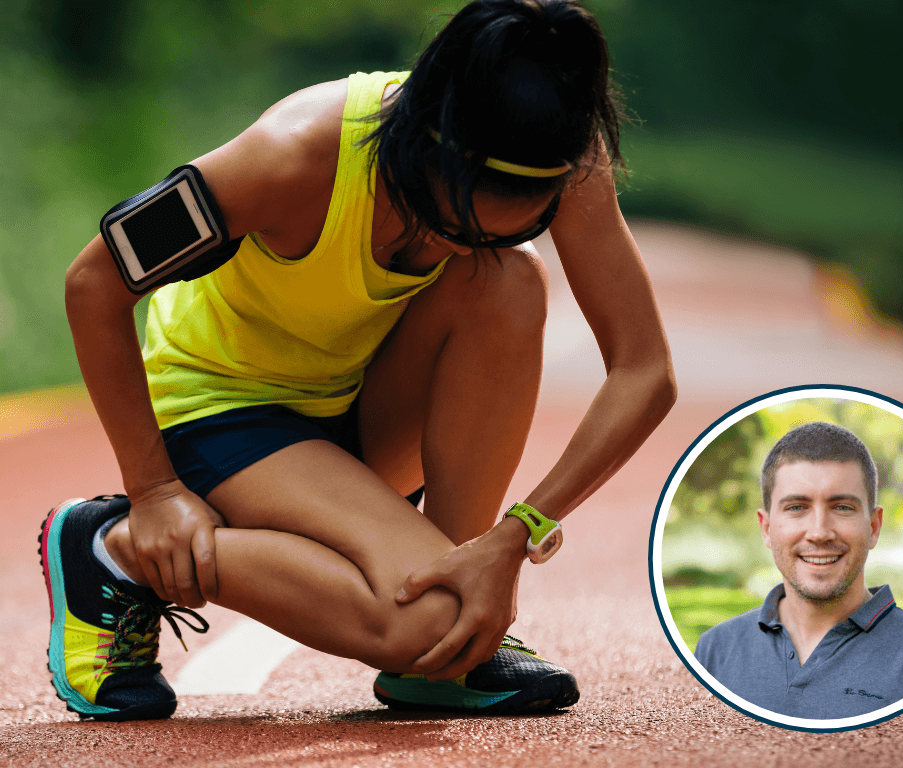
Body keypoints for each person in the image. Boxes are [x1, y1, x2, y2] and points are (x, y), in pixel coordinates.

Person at [41, 0, 676, 721]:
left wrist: (510, 538)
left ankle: (450, 616)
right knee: (430, 624)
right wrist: (154, 489)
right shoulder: (291, 154)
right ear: (425, 145)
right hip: (221, 409)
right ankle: (113, 550)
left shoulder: (554, 151)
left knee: (508, 280)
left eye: (505, 228)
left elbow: (644, 369)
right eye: (447, 223)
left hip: (354, 410)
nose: (452, 251)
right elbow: (94, 282)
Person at [694, 422, 903, 719]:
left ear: (873, 527)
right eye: (797, 507)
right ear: (767, 528)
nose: (819, 532)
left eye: (842, 507)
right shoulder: (714, 651)